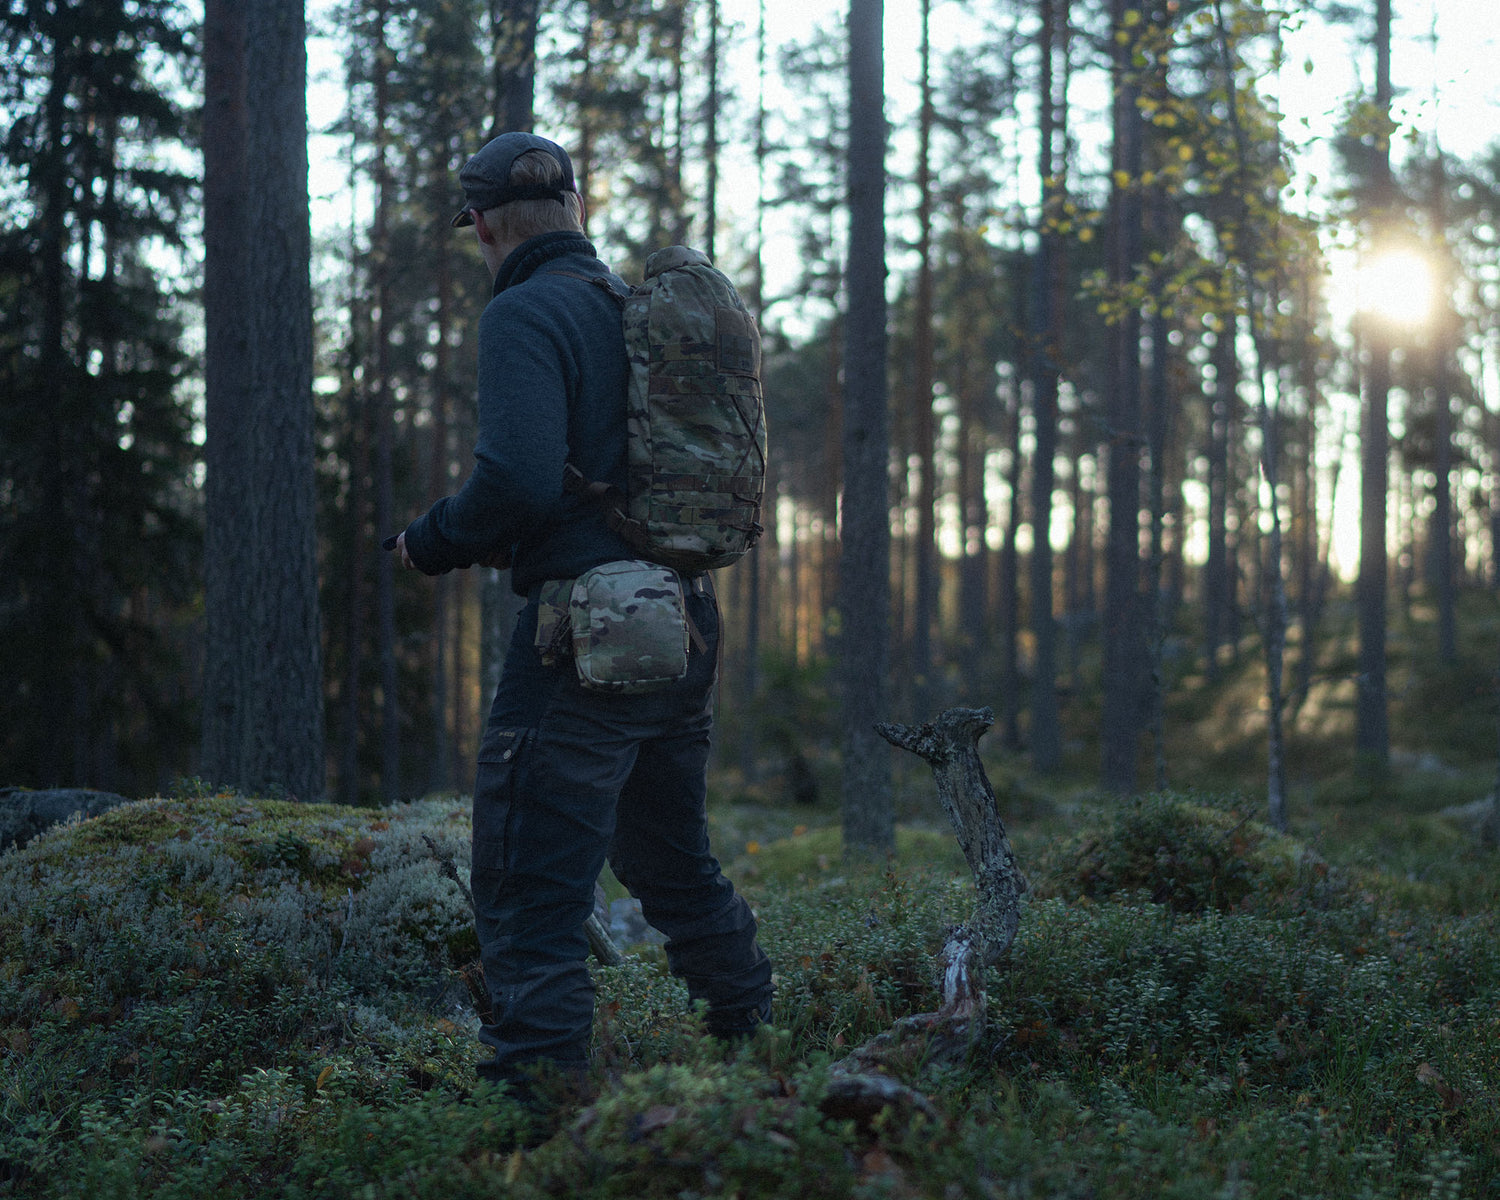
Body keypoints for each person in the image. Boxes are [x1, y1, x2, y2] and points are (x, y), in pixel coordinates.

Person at [392, 132, 774, 1118]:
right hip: (682, 621)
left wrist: (431, 539)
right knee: (674, 866)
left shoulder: (524, 311)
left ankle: (533, 1124)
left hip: (585, 640)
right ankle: (763, 1058)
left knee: (528, 891)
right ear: (574, 206)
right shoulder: (630, 307)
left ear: (482, 226)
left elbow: (516, 481)